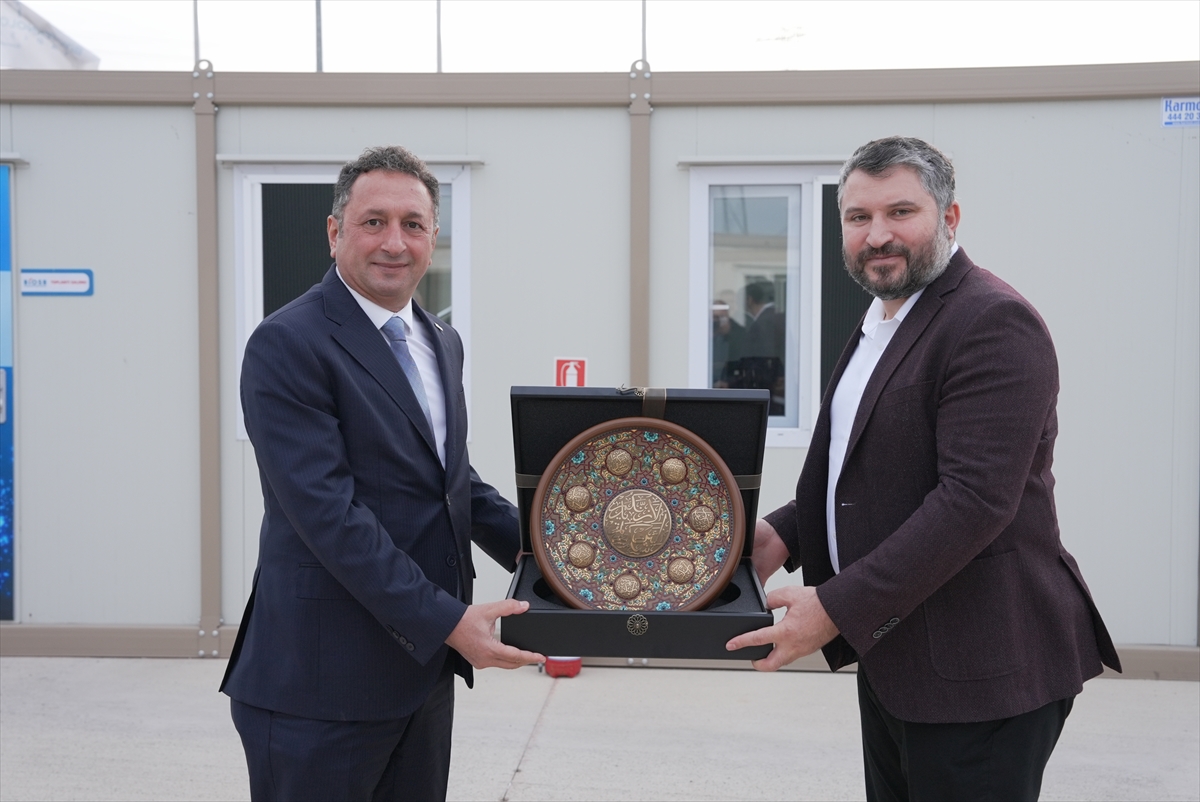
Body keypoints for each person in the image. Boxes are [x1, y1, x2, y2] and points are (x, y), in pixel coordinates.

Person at [727, 136, 1120, 801]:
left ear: (950, 218)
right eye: (858, 217)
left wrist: (834, 608)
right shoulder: (881, 322)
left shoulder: (991, 321)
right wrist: (783, 534)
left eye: (900, 212)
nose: (877, 235)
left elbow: (972, 501)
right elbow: (872, 467)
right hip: (900, 657)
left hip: (980, 670)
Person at [220, 145, 544, 802]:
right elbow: (328, 515)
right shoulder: (288, 343)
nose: (395, 242)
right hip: (320, 684)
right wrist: (448, 620)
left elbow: (450, 482)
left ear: (433, 237)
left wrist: (564, 557)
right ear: (335, 232)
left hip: (421, 676)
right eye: (374, 222)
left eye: (413, 224)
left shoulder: (439, 341)